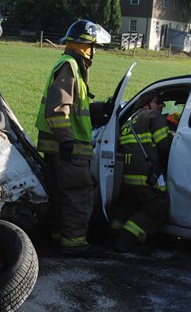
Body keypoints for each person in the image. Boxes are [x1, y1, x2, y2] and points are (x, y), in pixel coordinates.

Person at [34, 19, 112, 257]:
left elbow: (77, 105)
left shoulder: (71, 66)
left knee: (62, 194)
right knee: (79, 193)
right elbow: (59, 108)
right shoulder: (70, 66)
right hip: (69, 148)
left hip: (60, 147)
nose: (95, 51)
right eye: (94, 46)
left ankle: (59, 236)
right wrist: (66, 140)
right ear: (85, 46)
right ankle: (75, 243)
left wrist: (101, 109)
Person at [108, 94, 181, 254]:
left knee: (127, 207)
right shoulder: (154, 116)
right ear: (146, 104)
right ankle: (126, 239)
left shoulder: (128, 120)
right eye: (158, 102)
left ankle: (113, 234)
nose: (161, 106)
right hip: (146, 177)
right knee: (158, 209)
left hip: (127, 177)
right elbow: (164, 147)